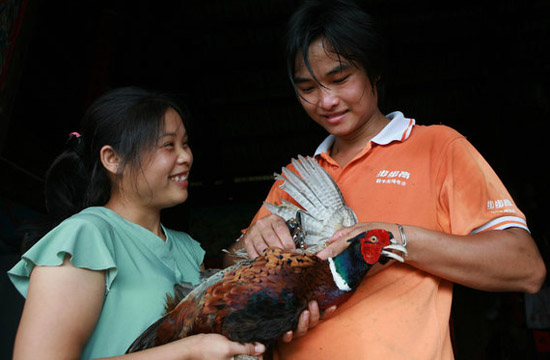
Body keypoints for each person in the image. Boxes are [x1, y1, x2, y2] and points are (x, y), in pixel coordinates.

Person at [229, 1, 547, 359]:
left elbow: (525, 266)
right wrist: (249, 245)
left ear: (374, 70)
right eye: (308, 88)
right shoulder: (297, 179)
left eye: (340, 79)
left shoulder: (437, 148)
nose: (326, 101)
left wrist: (392, 239)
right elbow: (225, 277)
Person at [7, 87, 267, 359]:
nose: (186, 157)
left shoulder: (188, 249)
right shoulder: (84, 237)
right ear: (113, 159)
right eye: (168, 145)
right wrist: (188, 351)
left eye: (185, 143)